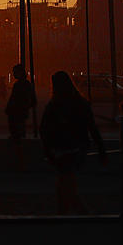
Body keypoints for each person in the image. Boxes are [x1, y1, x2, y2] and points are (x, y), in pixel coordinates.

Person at [40, 70, 106, 214]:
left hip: (61, 150)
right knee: (65, 183)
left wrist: (47, 150)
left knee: (64, 184)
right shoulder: (80, 103)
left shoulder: (54, 106)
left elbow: (44, 130)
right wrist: (101, 149)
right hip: (77, 149)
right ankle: (73, 212)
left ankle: (74, 213)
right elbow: (92, 127)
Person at [5, 63, 37, 171]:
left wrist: (13, 108)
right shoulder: (27, 85)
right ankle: (20, 163)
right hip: (20, 113)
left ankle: (20, 163)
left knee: (17, 138)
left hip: (17, 113)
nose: (13, 74)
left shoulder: (20, 85)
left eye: (14, 72)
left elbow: (15, 99)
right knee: (19, 136)